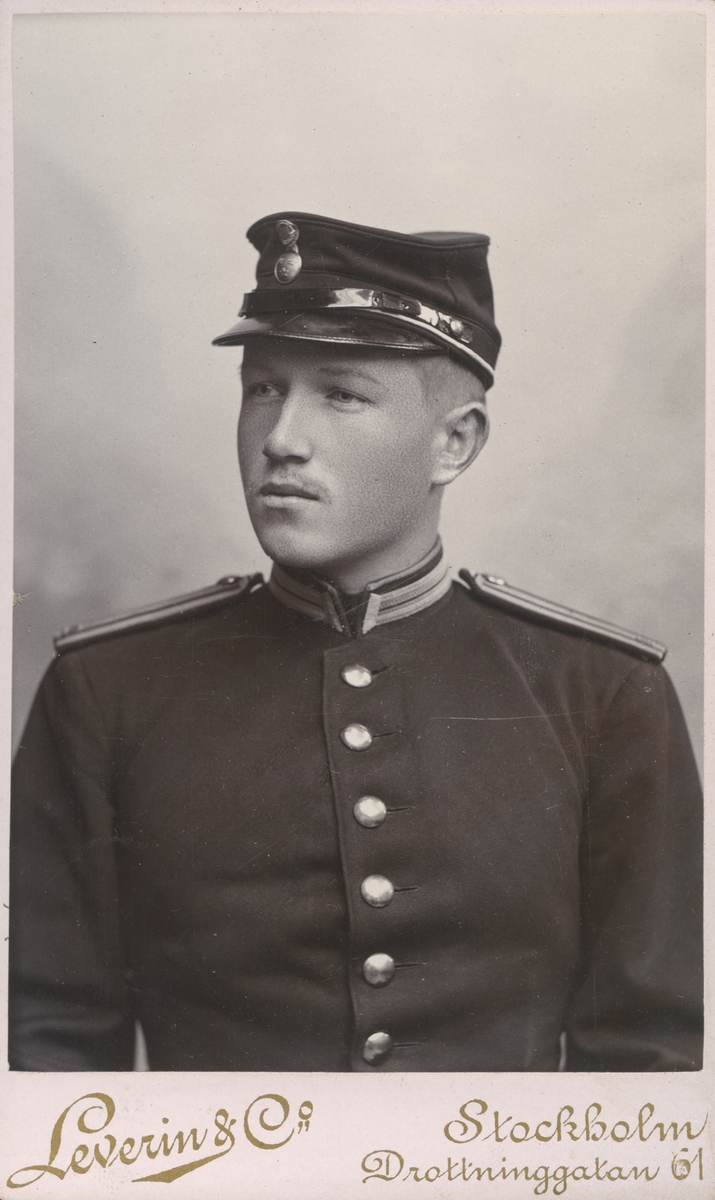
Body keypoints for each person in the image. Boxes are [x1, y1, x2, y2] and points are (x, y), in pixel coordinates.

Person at [9, 212, 702, 1073]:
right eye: (263, 389)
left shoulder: (601, 695)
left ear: (454, 442)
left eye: (341, 394)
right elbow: (53, 1060)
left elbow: (645, 1067)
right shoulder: (105, 691)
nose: (281, 440)